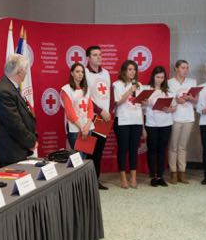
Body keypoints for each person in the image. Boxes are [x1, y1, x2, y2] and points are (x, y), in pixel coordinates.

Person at [0, 53, 38, 166]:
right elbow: (14, 124)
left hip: (17, 149)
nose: (26, 73)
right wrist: (31, 141)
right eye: (25, 69)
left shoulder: (10, 87)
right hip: (10, 152)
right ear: (19, 71)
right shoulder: (4, 91)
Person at [112, 59, 146, 189]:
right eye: (130, 69)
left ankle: (133, 177)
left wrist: (144, 102)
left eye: (134, 70)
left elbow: (141, 107)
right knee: (123, 149)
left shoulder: (139, 85)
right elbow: (117, 103)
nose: (132, 72)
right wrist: (129, 90)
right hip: (122, 121)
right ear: (124, 71)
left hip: (136, 121)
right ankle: (123, 178)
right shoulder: (117, 84)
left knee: (133, 150)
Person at [167, 59, 198, 184]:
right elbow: (167, 99)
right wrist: (176, 100)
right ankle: (173, 172)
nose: (185, 70)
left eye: (187, 68)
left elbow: (196, 100)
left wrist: (190, 98)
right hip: (175, 117)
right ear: (176, 68)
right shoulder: (169, 83)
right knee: (173, 146)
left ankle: (182, 171)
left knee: (183, 146)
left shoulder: (192, 82)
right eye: (183, 68)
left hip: (188, 117)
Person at [85, 45, 112, 190]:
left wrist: (109, 111)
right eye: (95, 55)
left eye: (100, 54)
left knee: (99, 151)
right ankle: (87, 182)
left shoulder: (106, 73)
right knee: (88, 151)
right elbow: (85, 96)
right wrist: (100, 110)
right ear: (88, 58)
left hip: (105, 118)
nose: (99, 57)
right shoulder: (84, 73)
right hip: (91, 117)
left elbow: (110, 94)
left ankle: (96, 180)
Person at [143, 66, 174, 187]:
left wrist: (169, 109)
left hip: (166, 123)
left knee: (162, 150)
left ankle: (161, 176)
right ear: (153, 77)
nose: (159, 80)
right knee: (152, 150)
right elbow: (142, 107)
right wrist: (146, 104)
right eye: (157, 77)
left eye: (162, 77)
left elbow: (173, 107)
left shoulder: (168, 91)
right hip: (152, 124)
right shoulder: (147, 89)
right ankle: (153, 176)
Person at [61, 62, 93, 153]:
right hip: (74, 128)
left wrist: (87, 126)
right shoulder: (66, 90)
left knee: (84, 156)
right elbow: (70, 113)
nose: (80, 74)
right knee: (76, 157)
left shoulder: (86, 89)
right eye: (77, 71)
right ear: (72, 73)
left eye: (82, 72)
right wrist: (82, 128)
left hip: (88, 127)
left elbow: (90, 109)